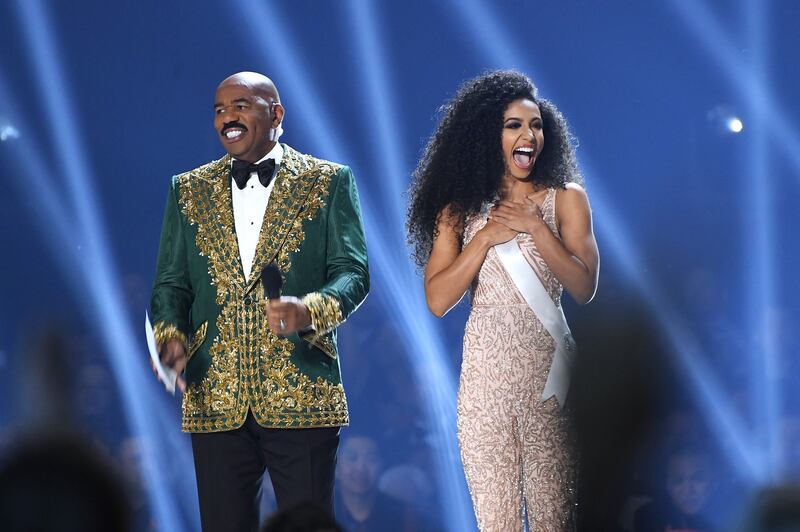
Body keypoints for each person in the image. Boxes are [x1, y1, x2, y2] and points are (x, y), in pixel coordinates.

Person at [150, 71, 369, 531]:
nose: (227, 117)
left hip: (301, 388)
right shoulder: (187, 190)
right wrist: (171, 338)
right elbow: (171, 285)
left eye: (241, 105)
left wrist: (309, 310)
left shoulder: (327, 182)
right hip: (216, 394)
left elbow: (353, 272)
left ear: (276, 114)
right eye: (219, 109)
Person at [407, 70, 599, 531]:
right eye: (513, 124)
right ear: (486, 134)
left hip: (550, 381)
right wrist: (485, 239)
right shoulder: (458, 210)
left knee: (555, 522)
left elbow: (584, 287)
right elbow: (437, 299)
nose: (528, 135)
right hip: (484, 387)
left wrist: (536, 228)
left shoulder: (567, 199)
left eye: (535, 125)